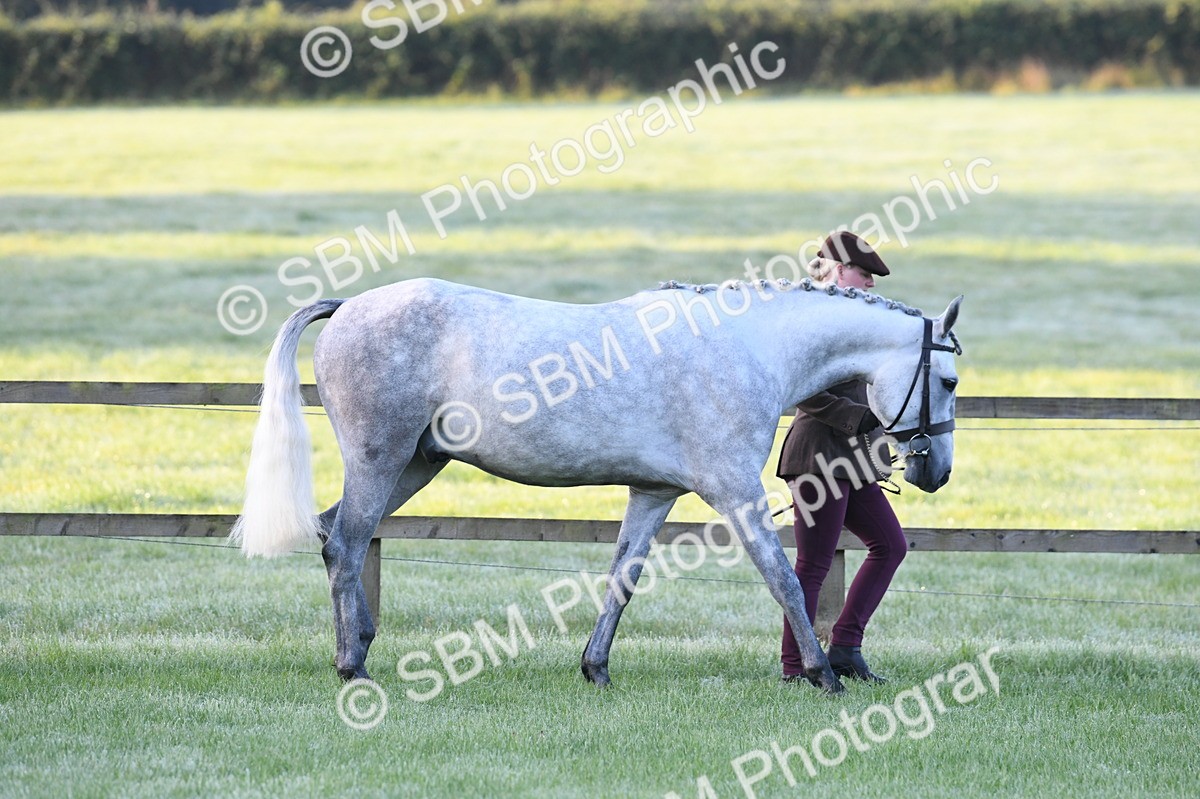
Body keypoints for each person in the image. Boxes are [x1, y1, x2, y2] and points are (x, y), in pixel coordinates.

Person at [777, 231, 905, 684]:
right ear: (836, 269)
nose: (871, 283)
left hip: (854, 459)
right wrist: (862, 417)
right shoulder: (810, 317)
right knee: (813, 564)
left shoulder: (856, 320)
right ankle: (795, 668)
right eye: (864, 273)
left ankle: (846, 647)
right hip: (816, 457)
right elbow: (803, 390)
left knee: (891, 546)